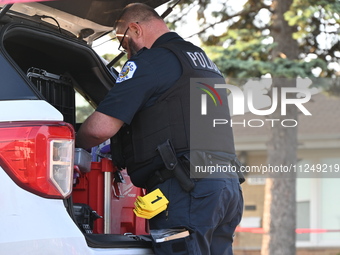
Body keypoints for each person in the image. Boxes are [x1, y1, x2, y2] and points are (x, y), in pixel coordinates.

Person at [76, 3, 243, 254]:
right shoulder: (201, 60)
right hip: (225, 188)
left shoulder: (152, 62)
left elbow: (99, 129)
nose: (128, 54)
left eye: (124, 44)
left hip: (186, 190)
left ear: (135, 29)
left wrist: (71, 142)